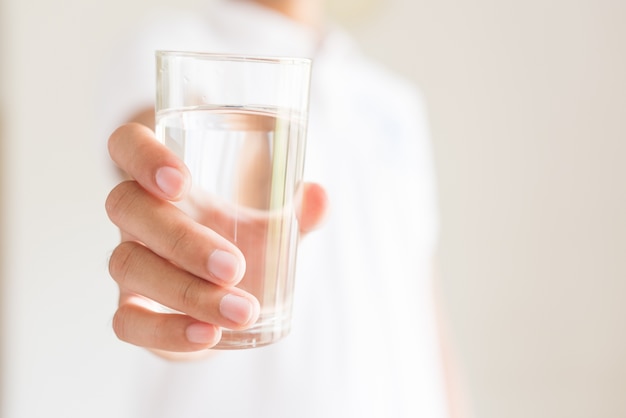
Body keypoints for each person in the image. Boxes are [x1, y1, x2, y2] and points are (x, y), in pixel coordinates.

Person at [103, 0, 466, 416]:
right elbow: (161, 137)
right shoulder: (167, 46)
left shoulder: (395, 101)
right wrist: (184, 227)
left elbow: (422, 308)